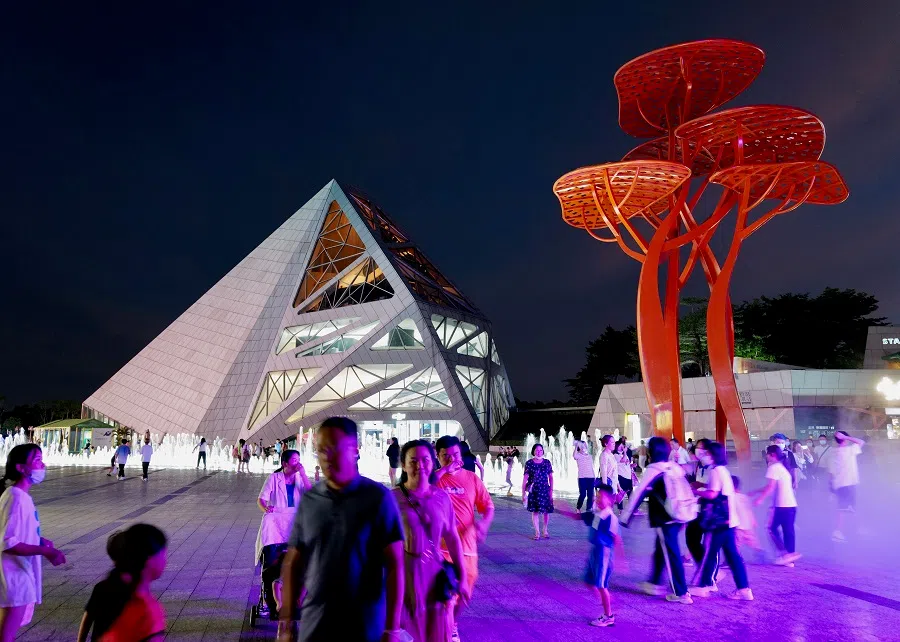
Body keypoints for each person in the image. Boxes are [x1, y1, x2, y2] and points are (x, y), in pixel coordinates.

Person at [278, 417, 404, 642]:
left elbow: (395, 565)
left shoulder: (378, 498)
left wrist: (391, 629)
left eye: (335, 448)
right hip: (316, 623)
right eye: (321, 450)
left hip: (364, 624)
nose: (327, 457)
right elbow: (293, 561)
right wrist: (286, 622)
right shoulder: (310, 500)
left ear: (355, 450)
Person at [394, 440, 468, 642]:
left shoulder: (442, 497)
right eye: (413, 460)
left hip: (434, 572)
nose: (420, 465)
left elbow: (452, 538)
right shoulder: (392, 499)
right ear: (403, 464)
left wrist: (463, 577)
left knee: (436, 629)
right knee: (407, 628)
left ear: (433, 462)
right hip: (404, 573)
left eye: (425, 460)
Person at [0, 445, 66, 641]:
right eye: (37, 460)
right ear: (22, 468)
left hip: (19, 574)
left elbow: (17, 533)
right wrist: (46, 552)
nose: (42, 464)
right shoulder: (15, 498)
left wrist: (39, 540)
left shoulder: (20, 496)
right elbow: (8, 543)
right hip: (14, 577)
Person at [435, 435, 494, 642]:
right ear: (438, 456)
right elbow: (419, 490)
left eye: (456, 455)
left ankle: (454, 623)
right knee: (447, 598)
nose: (452, 460)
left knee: (465, 595)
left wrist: (484, 525)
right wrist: (443, 471)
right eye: (446, 456)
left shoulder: (471, 478)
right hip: (440, 550)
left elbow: (487, 506)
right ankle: (447, 630)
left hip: (468, 548)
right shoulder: (434, 478)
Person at [620, 437, 692, 604]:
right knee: (662, 549)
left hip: (665, 517)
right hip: (680, 515)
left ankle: (681, 593)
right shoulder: (674, 467)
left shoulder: (653, 469)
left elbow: (639, 493)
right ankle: (655, 583)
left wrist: (625, 518)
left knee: (671, 553)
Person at [77, 523, 167, 642]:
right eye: (163, 553)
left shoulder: (106, 586)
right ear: (148, 558)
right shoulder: (146, 611)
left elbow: (89, 617)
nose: (166, 559)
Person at [691, 442, 753, 600]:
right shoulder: (723, 470)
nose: (704, 456)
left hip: (718, 522)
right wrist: (703, 485)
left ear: (713, 455)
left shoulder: (715, 471)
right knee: (733, 556)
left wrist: (696, 491)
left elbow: (713, 494)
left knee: (709, 554)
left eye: (707, 453)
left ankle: (704, 586)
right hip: (729, 521)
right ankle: (744, 589)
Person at [557, 484, 624, 627]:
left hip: (604, 552)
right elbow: (577, 517)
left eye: (601, 497)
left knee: (601, 585)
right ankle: (608, 602)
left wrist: (620, 560)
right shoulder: (596, 513)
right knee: (589, 581)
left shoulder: (610, 518)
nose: (597, 499)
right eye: (597, 496)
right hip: (595, 551)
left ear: (610, 500)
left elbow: (617, 538)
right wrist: (564, 509)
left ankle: (608, 616)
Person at [256, 449, 310, 619]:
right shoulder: (274, 478)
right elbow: (262, 499)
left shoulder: (300, 478)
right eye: (294, 460)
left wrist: (303, 473)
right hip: (277, 522)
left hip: (295, 521)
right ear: (285, 464)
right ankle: (270, 601)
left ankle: (300, 601)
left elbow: (310, 495)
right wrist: (266, 508)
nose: (297, 463)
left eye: (299, 460)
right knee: (272, 562)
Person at [753, 445, 801, 566]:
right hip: (791, 505)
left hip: (782, 505)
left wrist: (760, 499)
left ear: (772, 455)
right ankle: (790, 558)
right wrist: (756, 492)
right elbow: (771, 486)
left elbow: (770, 487)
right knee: (788, 531)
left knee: (771, 528)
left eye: (767, 454)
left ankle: (785, 554)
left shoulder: (773, 467)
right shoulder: (782, 467)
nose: (766, 456)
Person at [828, 430, 865, 542]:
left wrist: (831, 489)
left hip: (843, 484)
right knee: (843, 509)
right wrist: (846, 437)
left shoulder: (835, 452)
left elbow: (831, 473)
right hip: (846, 484)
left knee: (850, 507)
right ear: (844, 439)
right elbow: (861, 442)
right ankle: (837, 532)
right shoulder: (848, 450)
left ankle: (858, 528)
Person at [522, 444, 554, 540]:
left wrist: (551, 491)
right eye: (537, 450)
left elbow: (551, 478)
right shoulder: (529, 463)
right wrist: (523, 493)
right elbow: (525, 479)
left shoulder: (547, 462)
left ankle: (545, 529)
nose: (539, 452)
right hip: (534, 491)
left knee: (546, 512)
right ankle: (537, 532)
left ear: (543, 451)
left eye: (540, 450)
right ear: (533, 451)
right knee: (535, 512)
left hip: (545, 490)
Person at [731, 476, 762, 560]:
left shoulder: (731, 497)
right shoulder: (744, 497)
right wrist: (753, 521)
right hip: (748, 526)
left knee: (734, 545)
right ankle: (762, 555)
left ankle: (732, 560)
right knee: (754, 543)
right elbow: (749, 510)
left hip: (738, 527)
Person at [573, 440, 595, 513]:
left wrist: (594, 478)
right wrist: (576, 446)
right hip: (582, 478)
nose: (584, 447)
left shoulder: (590, 456)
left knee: (590, 495)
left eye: (585, 445)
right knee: (582, 494)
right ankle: (578, 507)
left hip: (591, 478)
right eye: (582, 446)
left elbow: (591, 467)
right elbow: (574, 456)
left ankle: (589, 508)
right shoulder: (578, 455)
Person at [598, 435, 621, 502]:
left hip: (613, 485)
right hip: (608, 486)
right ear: (606, 444)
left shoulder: (611, 455)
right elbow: (603, 471)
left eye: (614, 442)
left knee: (609, 507)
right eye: (612, 442)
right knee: (606, 507)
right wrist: (605, 488)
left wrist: (618, 486)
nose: (614, 444)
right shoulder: (604, 455)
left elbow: (615, 472)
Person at [615, 441, 635, 511]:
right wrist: (625, 452)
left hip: (628, 476)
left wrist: (632, 465)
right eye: (620, 446)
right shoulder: (615, 455)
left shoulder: (624, 454)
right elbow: (623, 460)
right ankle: (620, 509)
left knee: (630, 493)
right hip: (621, 476)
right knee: (621, 493)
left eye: (622, 446)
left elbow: (627, 464)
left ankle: (632, 509)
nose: (621, 447)